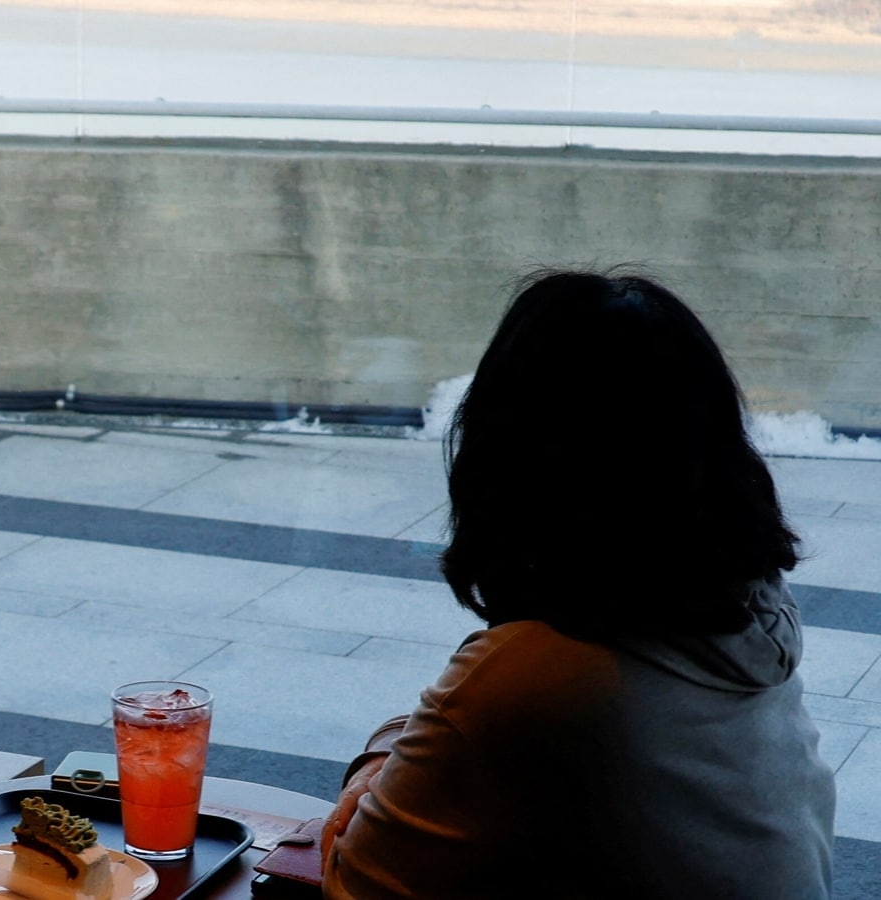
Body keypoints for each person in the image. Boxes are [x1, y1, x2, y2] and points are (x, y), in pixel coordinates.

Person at [321, 269, 836, 899]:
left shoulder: (541, 678)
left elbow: (357, 881)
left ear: (509, 457)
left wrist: (378, 761)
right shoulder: (752, 619)